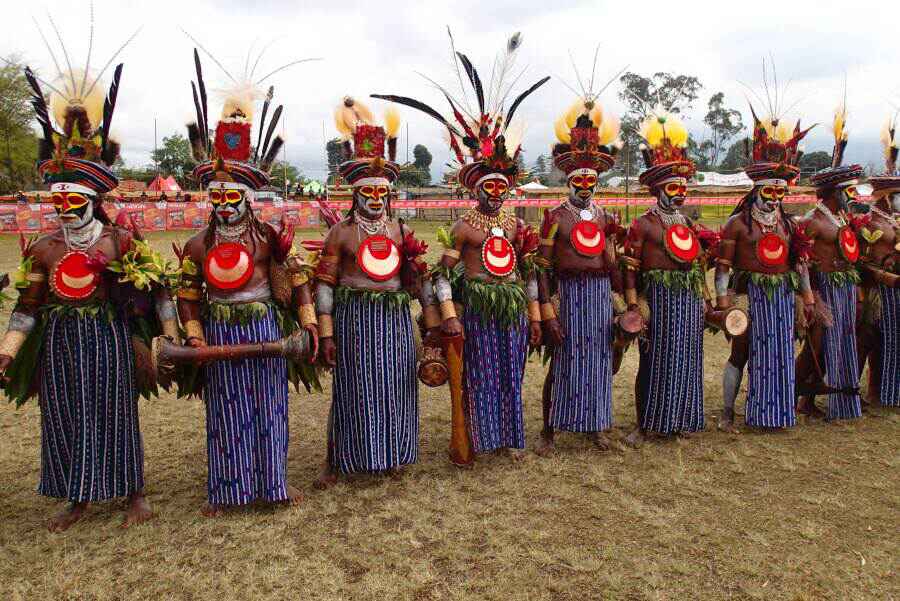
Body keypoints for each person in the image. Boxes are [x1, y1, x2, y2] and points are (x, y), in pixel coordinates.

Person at [0, 52, 174, 531]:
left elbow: (158, 289)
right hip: (60, 342)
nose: (64, 208)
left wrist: (170, 336)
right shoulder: (43, 248)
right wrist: (8, 352)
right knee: (63, 415)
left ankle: (134, 491)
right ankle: (77, 496)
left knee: (116, 412)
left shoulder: (120, 240)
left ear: (93, 200)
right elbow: (27, 307)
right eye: (57, 200)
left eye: (73, 200)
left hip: (108, 337)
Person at [373, 30, 548, 464]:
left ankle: (508, 440)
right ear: (476, 189)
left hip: (510, 307)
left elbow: (527, 271)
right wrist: (449, 316)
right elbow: (442, 276)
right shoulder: (463, 227)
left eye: (502, 186)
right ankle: (477, 439)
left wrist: (534, 315)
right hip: (478, 310)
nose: (496, 193)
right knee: (479, 375)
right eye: (489, 186)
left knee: (511, 375)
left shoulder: (514, 224)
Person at [175, 48, 319, 517]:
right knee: (225, 411)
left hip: (264, 329)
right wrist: (195, 337)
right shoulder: (198, 244)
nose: (224, 203)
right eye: (216, 197)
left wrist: (308, 323)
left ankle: (274, 485)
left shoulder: (270, 236)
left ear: (248, 197)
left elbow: (298, 278)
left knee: (270, 407)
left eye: (232, 196)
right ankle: (226, 491)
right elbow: (188, 296)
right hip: (219, 330)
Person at [313, 97, 428, 488]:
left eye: (382, 193)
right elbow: (325, 285)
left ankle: (391, 453)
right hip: (354, 319)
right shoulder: (340, 232)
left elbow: (418, 279)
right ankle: (338, 460)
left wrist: (431, 319)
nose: (376, 200)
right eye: (369, 193)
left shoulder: (400, 230)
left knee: (396, 384)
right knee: (352, 388)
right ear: (355, 194)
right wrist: (327, 334)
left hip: (394, 320)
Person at [535, 91, 631, 455]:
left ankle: (596, 427)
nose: (586, 187)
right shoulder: (555, 217)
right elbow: (543, 268)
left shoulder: (606, 217)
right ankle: (549, 431)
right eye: (580, 180)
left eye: (591, 181)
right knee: (563, 362)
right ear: (569, 180)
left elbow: (612, 262)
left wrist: (624, 305)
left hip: (600, 296)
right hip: (569, 295)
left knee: (600, 363)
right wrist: (548, 312)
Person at [714, 101, 816, 431]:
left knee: (779, 354)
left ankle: (774, 413)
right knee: (741, 354)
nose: (774, 197)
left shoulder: (789, 225)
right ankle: (728, 412)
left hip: (781, 299)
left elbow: (800, 264)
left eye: (780, 191)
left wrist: (808, 297)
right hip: (749, 296)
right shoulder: (737, 224)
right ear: (757, 189)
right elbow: (723, 268)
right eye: (769, 190)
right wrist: (724, 303)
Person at [621, 105, 712, 446]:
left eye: (682, 187)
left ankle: (679, 419)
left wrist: (705, 298)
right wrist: (633, 306)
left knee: (686, 360)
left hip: (687, 300)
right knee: (654, 361)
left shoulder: (687, 223)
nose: (679, 193)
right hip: (658, 298)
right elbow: (630, 268)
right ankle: (645, 424)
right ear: (657, 189)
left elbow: (698, 263)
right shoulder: (643, 224)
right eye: (673, 187)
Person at [795, 104, 864, 420]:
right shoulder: (813, 220)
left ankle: (831, 398)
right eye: (849, 190)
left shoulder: (842, 218)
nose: (853, 196)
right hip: (823, 289)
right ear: (834, 192)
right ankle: (797, 394)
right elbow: (801, 259)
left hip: (845, 286)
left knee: (842, 342)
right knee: (819, 343)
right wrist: (810, 297)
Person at [855, 114, 900, 408]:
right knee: (875, 339)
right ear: (885, 195)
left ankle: (888, 391)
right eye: (897, 194)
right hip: (879, 290)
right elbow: (860, 260)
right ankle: (874, 391)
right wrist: (882, 276)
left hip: (896, 288)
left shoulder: (893, 219)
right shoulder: (870, 223)